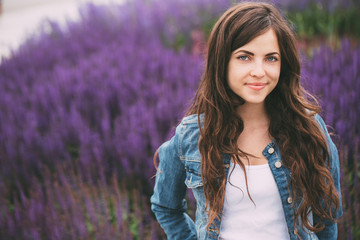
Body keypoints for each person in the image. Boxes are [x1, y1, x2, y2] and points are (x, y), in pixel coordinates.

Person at [150, 2, 342, 240]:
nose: (259, 71)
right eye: (244, 57)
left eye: (271, 58)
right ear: (222, 62)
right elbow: (166, 207)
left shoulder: (309, 128)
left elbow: (327, 214)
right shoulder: (192, 134)